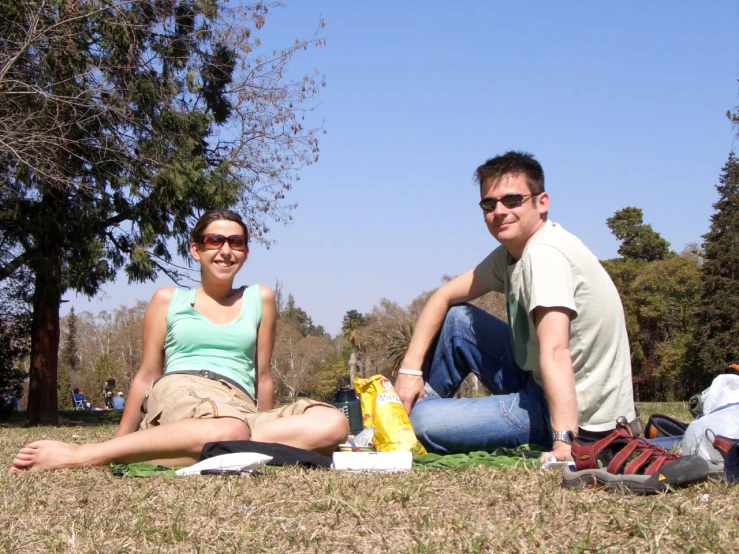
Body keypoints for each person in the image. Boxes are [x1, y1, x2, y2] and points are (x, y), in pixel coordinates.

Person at [11, 209, 348, 472]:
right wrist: (120, 438)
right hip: (182, 390)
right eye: (214, 241)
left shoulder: (260, 298)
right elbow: (146, 375)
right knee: (227, 430)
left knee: (332, 423)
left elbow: (263, 376)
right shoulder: (167, 299)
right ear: (196, 249)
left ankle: (196, 447)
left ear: (245, 253)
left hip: (240, 407)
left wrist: (265, 421)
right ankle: (90, 454)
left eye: (236, 242)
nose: (226, 250)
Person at [394, 151, 636, 464]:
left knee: (423, 422)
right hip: (539, 381)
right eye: (488, 203)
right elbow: (442, 296)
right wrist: (409, 372)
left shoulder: (545, 255)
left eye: (512, 200)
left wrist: (565, 443)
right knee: (458, 320)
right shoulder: (513, 252)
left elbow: (556, 351)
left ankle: (407, 421)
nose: (499, 211)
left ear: (542, 202)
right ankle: (404, 408)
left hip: (580, 415)